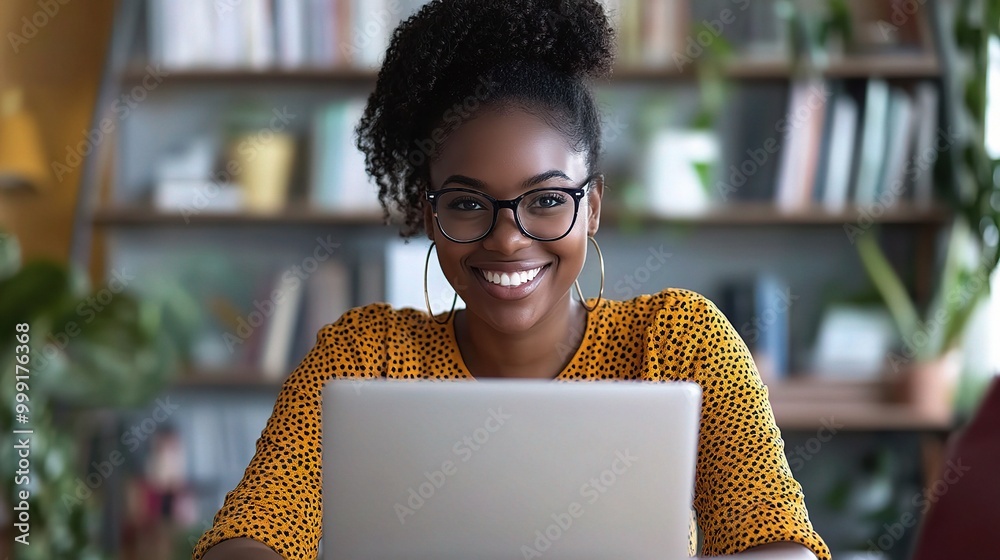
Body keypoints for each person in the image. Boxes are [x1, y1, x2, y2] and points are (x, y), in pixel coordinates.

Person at [194, 1, 830, 558]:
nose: (508, 238)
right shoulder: (366, 357)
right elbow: (252, 530)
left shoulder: (679, 342)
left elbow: (779, 544)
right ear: (428, 209)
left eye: (547, 200)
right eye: (468, 203)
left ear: (594, 206)